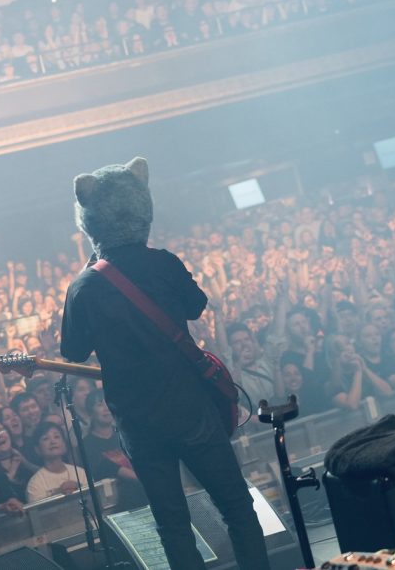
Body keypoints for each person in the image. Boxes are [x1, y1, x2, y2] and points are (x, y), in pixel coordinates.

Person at [61, 157, 269, 570]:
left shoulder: (84, 286)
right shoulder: (163, 263)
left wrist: (92, 271)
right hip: (190, 410)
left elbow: (72, 352)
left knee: (171, 524)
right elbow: (196, 306)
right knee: (236, 506)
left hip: (139, 424)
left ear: (89, 219)